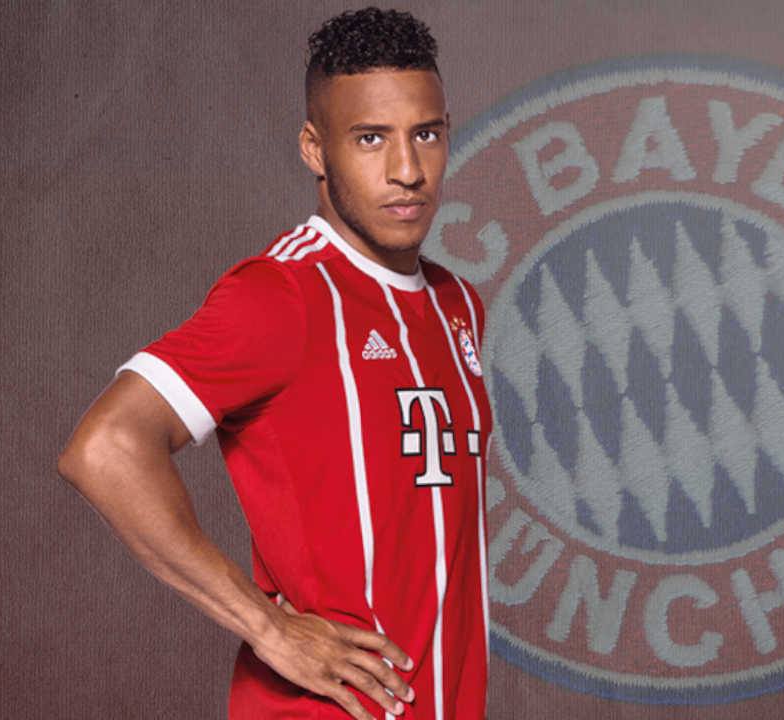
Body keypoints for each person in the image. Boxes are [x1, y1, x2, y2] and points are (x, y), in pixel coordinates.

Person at [57, 8, 492, 719]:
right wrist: (269, 628)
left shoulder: (457, 305)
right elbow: (105, 448)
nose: (407, 171)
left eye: (426, 135)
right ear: (315, 149)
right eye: (371, 138)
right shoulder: (282, 293)